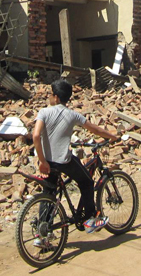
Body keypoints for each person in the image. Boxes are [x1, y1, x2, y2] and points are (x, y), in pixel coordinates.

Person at [32, 79, 118, 234]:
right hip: (64, 161)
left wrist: (42, 161)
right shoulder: (72, 115)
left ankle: (41, 233)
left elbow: (36, 136)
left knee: (49, 192)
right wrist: (112, 136)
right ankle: (91, 219)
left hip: (48, 162)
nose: (49, 97)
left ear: (56, 97)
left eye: (51, 94)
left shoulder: (43, 112)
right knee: (86, 182)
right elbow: (95, 130)